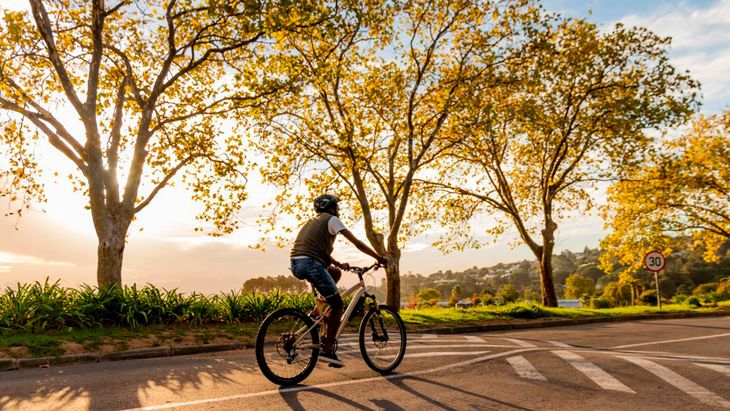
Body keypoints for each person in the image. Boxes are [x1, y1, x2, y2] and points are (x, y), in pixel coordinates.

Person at [290, 194, 387, 368]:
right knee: (338, 305)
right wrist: (378, 257)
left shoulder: (311, 222)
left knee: (334, 273)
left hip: (297, 263)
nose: (338, 210)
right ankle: (328, 349)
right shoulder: (332, 220)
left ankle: (317, 311)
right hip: (312, 264)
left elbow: (315, 249)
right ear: (332, 208)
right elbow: (356, 243)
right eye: (337, 207)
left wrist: (337, 263)